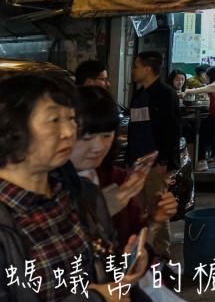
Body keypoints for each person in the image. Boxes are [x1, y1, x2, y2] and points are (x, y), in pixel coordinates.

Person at [0, 74, 148, 302]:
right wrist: (94, 298)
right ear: (11, 127)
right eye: (54, 120)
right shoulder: (7, 215)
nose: (69, 132)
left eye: (71, 119)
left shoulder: (82, 194)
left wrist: (124, 266)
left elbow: (101, 269)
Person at [70, 87, 177, 263]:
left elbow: (135, 247)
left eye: (106, 136)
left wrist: (154, 218)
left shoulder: (118, 178)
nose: (98, 147)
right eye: (86, 138)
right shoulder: (48, 184)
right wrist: (111, 203)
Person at [127, 51, 180, 260]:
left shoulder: (165, 94)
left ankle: (161, 255)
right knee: (139, 211)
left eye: (136, 66)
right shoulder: (139, 95)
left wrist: (165, 161)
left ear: (148, 69)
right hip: (137, 164)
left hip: (156, 164)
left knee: (158, 207)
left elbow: (172, 130)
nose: (134, 70)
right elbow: (135, 130)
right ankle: (142, 254)